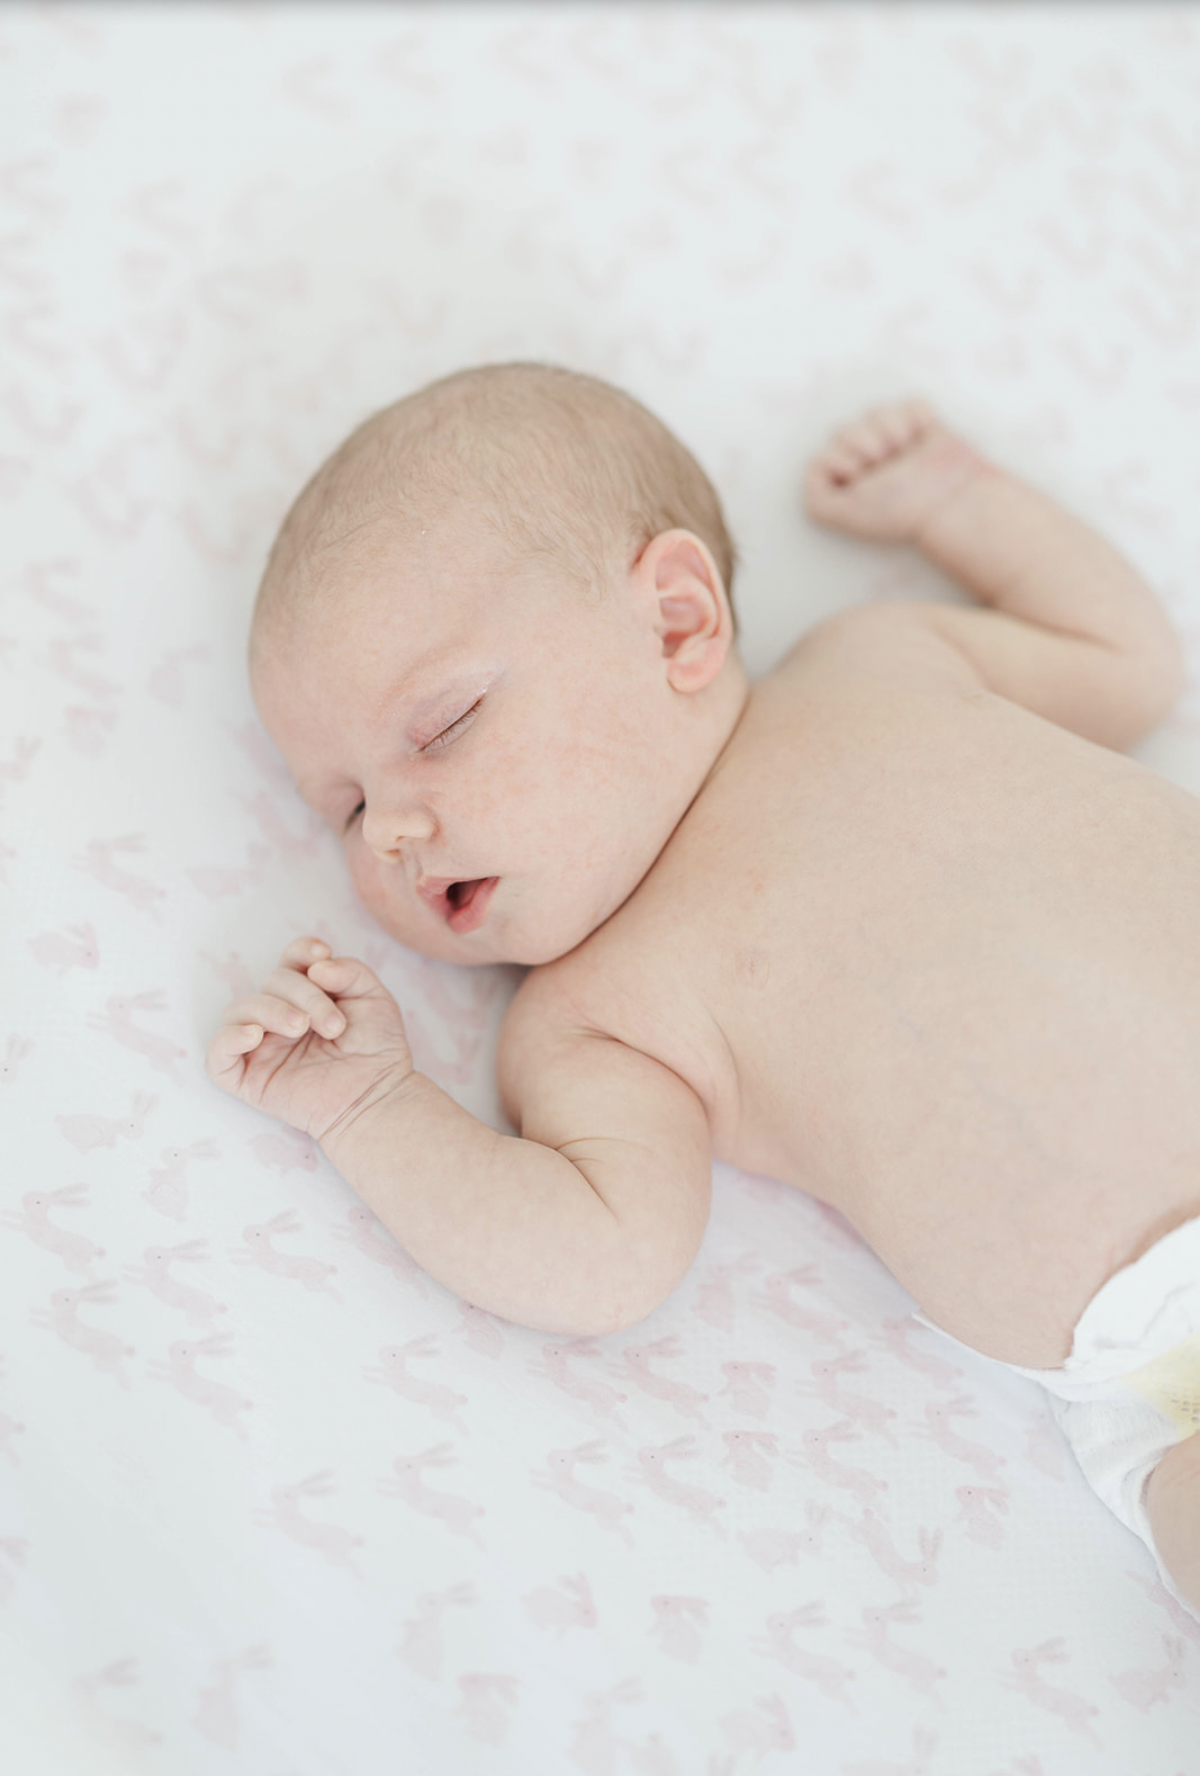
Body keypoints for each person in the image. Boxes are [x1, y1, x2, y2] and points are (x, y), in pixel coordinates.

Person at [207, 363, 1200, 1613]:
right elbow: (603, 1259)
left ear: (677, 621)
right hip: (1166, 1344)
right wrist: (371, 1110)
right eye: (344, 808)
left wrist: (963, 502)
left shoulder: (882, 660)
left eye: (442, 724)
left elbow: (1124, 663)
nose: (392, 831)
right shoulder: (594, 1014)